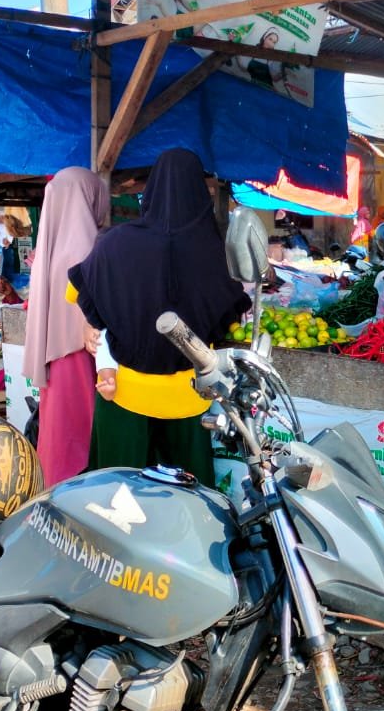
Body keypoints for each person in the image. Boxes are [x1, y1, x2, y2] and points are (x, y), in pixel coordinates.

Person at [70, 148, 250, 481]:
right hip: (188, 397)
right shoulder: (214, 252)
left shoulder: (113, 244)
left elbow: (80, 292)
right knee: (190, 503)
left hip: (124, 393)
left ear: (150, 191)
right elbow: (231, 318)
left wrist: (89, 325)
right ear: (200, 193)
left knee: (116, 498)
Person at [23, 167, 110, 485]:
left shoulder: (50, 248)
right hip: (84, 356)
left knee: (58, 430)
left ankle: (52, 494)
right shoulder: (88, 248)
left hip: (57, 357)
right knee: (82, 433)